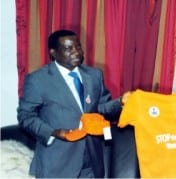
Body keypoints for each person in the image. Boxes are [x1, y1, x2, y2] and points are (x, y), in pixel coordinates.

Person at [17, 29, 130, 178]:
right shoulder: (38, 80)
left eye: (78, 46)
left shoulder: (94, 75)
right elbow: (25, 116)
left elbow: (102, 108)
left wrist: (121, 102)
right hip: (57, 164)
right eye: (68, 48)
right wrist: (52, 132)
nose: (76, 52)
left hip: (91, 162)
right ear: (53, 53)